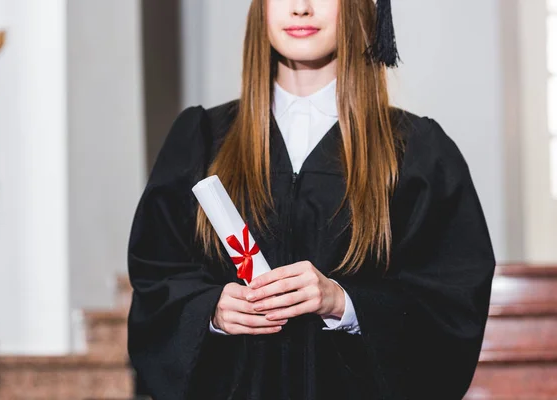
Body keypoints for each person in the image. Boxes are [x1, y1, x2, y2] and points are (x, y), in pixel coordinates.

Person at [126, 0, 496, 399]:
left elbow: (449, 303)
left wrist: (344, 302)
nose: (300, 8)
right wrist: (209, 311)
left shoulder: (415, 152)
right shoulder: (201, 140)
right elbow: (157, 277)